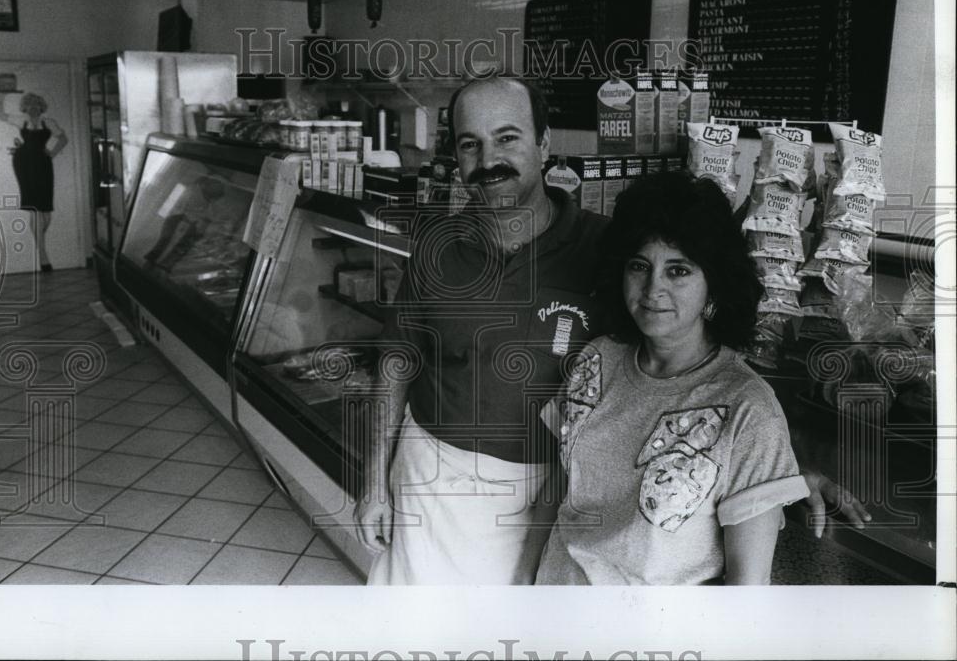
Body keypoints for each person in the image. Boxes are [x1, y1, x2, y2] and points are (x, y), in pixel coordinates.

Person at [355, 76, 869, 585]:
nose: (488, 160)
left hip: (544, 490)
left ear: (543, 143)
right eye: (471, 144)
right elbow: (397, 359)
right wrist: (374, 481)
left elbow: (692, 379)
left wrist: (785, 471)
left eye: (507, 138)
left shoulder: (606, 251)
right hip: (429, 478)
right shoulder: (435, 243)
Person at [535, 170, 808, 585]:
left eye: (678, 270)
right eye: (639, 266)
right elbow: (554, 497)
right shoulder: (596, 360)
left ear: (713, 283)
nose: (652, 289)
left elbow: (747, 594)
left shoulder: (749, 410)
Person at [0, 91, 69, 272]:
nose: (33, 107)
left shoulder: (49, 122)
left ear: (41, 107)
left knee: (46, 211)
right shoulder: (21, 120)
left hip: (43, 164)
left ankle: (39, 244)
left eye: (37, 104)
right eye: (30, 104)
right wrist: (1, 97)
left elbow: (63, 139)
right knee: (34, 209)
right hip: (24, 163)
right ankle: (42, 255)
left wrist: (52, 153)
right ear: (25, 107)